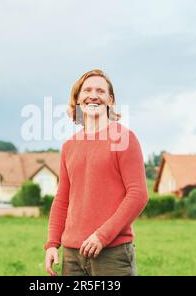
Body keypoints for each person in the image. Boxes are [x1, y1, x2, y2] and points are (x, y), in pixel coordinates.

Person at [43, 69, 148, 276]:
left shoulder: (124, 139)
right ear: (78, 99)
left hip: (112, 254)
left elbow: (138, 195)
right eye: (87, 90)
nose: (93, 95)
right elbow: (62, 199)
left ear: (110, 100)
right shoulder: (69, 146)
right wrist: (52, 243)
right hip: (72, 256)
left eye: (100, 91)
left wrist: (102, 236)